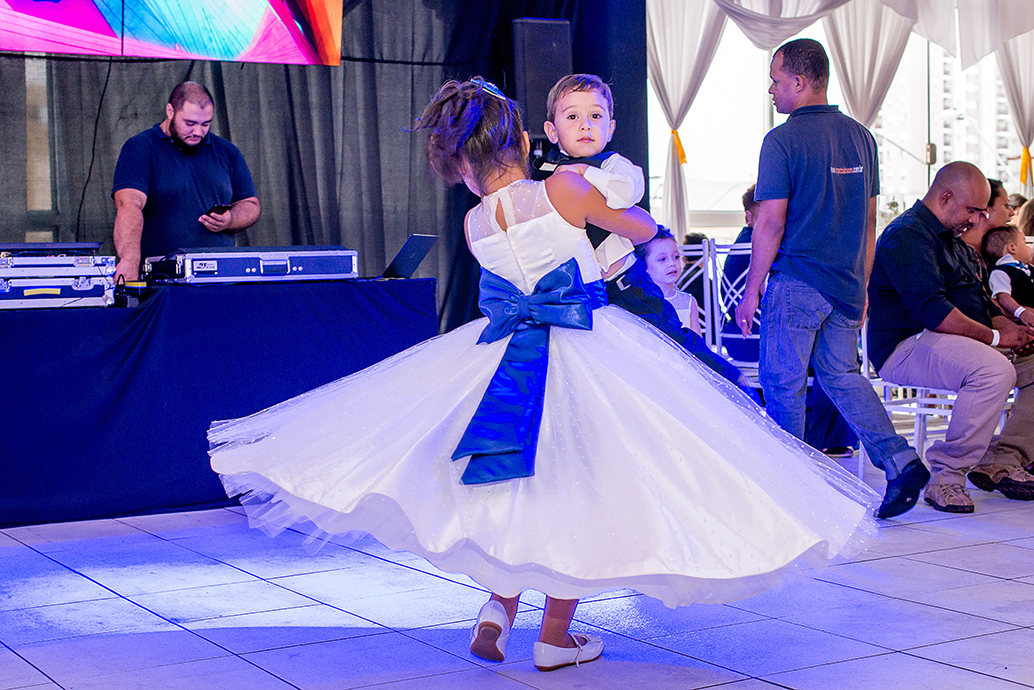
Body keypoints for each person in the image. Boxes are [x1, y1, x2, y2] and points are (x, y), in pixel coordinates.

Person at [208, 78, 878, 673]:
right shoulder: (563, 186)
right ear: (524, 142)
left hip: (510, 358)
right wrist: (619, 208)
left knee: (521, 487)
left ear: (467, 166)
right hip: (588, 350)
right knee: (584, 490)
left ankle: (498, 610)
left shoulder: (474, 222)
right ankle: (555, 637)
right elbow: (639, 228)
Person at [734, 38, 924, 519]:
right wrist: (860, 286)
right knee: (840, 376)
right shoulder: (862, 137)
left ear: (799, 82)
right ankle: (900, 461)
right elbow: (867, 221)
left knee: (782, 385)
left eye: (775, 80)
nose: (771, 90)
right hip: (844, 288)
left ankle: (787, 494)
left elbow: (771, 221)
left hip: (797, 281)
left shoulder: (780, 141)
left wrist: (753, 286)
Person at [533, 74, 755, 397]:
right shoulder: (544, 175)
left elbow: (628, 192)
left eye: (595, 116)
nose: (585, 126)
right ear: (551, 131)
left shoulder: (612, 165)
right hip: (582, 292)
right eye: (572, 117)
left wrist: (584, 173)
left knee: (669, 339)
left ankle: (729, 382)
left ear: (610, 128)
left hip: (626, 284)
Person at [868, 161, 1034, 513]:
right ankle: (946, 478)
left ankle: (1002, 459)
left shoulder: (953, 240)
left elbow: (977, 298)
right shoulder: (907, 236)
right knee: (993, 371)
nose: (976, 221)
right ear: (945, 197)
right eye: (973, 210)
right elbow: (936, 314)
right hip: (906, 345)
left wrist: (1012, 328)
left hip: (953, 340)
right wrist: (995, 338)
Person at [723, 185, 857, 457]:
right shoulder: (761, 245)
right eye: (768, 215)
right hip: (758, 337)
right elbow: (771, 297)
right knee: (834, 357)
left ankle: (812, 438)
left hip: (738, 338)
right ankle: (817, 441)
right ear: (749, 217)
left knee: (827, 353)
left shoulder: (737, 247)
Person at [112, 81, 261, 283]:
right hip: (161, 278)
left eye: (205, 124)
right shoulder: (140, 148)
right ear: (170, 111)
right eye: (190, 123)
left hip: (221, 278)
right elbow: (128, 204)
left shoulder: (228, 152)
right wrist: (129, 260)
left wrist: (230, 219)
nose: (198, 132)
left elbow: (251, 205)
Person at [638, 226, 701, 335]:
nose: (672, 263)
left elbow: (697, 340)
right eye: (662, 259)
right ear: (645, 266)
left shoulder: (688, 301)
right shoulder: (642, 301)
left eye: (676, 257)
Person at [983, 225, 1034, 328]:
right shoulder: (1001, 272)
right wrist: (1021, 312)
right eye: (1025, 242)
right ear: (1012, 248)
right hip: (1025, 321)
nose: (1029, 247)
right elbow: (1003, 296)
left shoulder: (1026, 268)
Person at [959, 179, 1012, 278]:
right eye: (1006, 206)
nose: (1012, 212)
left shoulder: (992, 252)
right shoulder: (959, 253)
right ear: (984, 207)